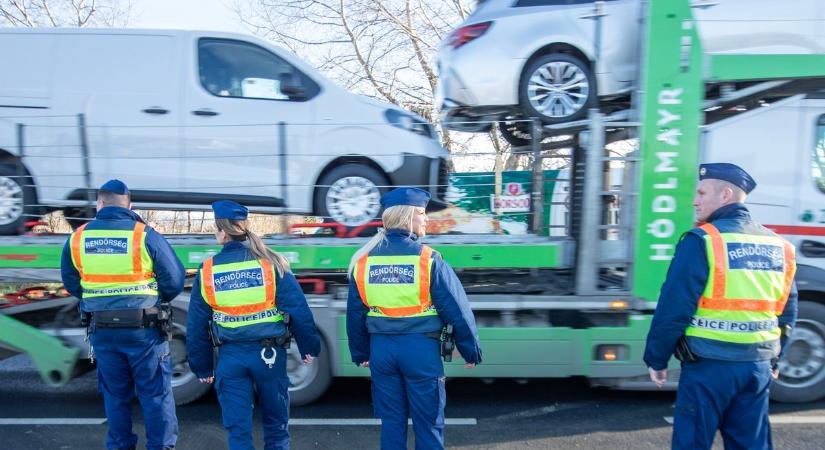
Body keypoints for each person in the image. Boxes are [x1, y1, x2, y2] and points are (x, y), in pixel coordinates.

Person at [644, 163, 798, 449]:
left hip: (709, 366)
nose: (695, 200)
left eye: (701, 192)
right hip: (757, 366)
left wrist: (657, 357)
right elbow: (787, 309)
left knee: (693, 442)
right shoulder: (780, 246)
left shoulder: (702, 240)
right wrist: (777, 357)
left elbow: (675, 306)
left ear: (726, 194)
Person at [346, 187, 482, 450]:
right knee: (428, 424)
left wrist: (360, 353)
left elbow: (355, 313)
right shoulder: (427, 259)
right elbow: (456, 309)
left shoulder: (362, 262)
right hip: (420, 350)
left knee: (392, 424)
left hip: (382, 352)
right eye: (422, 213)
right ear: (407, 217)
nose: (426, 219)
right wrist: (469, 350)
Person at [60, 179, 184, 450]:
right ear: (130, 205)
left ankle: (120, 446)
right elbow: (174, 280)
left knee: (115, 396)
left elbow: (71, 282)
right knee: (155, 395)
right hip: (145, 330)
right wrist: (152, 298)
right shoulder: (144, 235)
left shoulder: (78, 237)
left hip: (103, 330)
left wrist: (100, 301)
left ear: (99, 204)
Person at [187, 200, 320, 450]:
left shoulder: (207, 271)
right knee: (276, 427)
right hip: (269, 356)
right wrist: (308, 347)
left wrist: (202, 367)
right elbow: (299, 309)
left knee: (238, 431)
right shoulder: (271, 263)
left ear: (222, 232)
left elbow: (196, 325)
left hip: (231, 358)